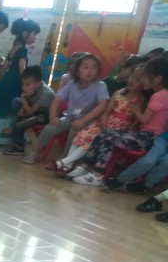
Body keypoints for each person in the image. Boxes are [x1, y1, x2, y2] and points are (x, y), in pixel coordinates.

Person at [68, 55, 168, 186]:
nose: (142, 79)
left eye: (144, 76)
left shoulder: (159, 96)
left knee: (108, 136)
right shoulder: (158, 94)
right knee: (105, 133)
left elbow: (144, 119)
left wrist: (136, 110)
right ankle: (85, 166)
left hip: (148, 137)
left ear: (158, 79)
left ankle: (97, 174)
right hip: (143, 135)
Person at [53, 65, 145, 178]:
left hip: (118, 130)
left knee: (91, 140)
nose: (132, 80)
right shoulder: (119, 93)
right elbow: (107, 111)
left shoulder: (141, 101)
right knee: (82, 135)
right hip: (105, 123)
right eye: (132, 76)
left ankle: (64, 163)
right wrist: (104, 120)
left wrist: (123, 128)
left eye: (137, 80)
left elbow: (134, 123)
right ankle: (68, 165)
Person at [20, 53, 108, 165]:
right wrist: (53, 117)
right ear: (77, 71)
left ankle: (64, 159)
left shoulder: (100, 86)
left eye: (94, 67)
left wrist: (83, 120)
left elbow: (102, 105)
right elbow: (57, 100)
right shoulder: (72, 84)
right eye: (86, 67)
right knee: (51, 127)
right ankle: (34, 151)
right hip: (69, 117)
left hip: (89, 121)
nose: (90, 71)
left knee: (75, 127)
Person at [0, 18, 41, 137]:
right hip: (16, 81)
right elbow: (22, 68)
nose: (35, 38)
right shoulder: (23, 49)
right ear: (25, 34)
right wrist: (27, 82)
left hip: (7, 79)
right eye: (34, 34)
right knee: (18, 105)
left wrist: (4, 78)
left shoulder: (14, 48)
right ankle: (18, 134)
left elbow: (4, 67)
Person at [1, 66, 55, 156]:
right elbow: (29, 104)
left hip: (44, 115)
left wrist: (23, 99)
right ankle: (21, 137)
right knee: (16, 101)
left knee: (19, 123)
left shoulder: (46, 94)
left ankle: (19, 147)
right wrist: (23, 108)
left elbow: (30, 112)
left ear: (38, 84)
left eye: (28, 85)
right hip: (34, 109)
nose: (24, 88)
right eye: (23, 84)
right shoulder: (33, 88)